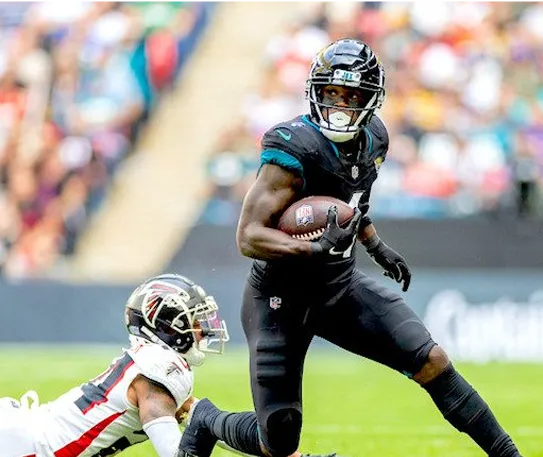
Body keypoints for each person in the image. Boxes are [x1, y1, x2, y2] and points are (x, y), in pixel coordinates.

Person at [178, 38, 523, 457]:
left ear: (370, 101)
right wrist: (313, 250)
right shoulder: (294, 145)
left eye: (352, 96)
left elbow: (349, 203)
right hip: (279, 299)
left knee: (432, 360)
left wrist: (375, 245)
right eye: (333, 94)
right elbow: (248, 235)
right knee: (279, 441)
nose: (341, 105)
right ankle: (207, 419)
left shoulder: (374, 138)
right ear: (315, 93)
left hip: (338, 288)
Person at [0, 273, 229, 457]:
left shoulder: (148, 364)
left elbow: (208, 423)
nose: (203, 331)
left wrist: (260, 441)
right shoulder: (157, 373)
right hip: (26, 448)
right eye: (195, 321)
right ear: (168, 327)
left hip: (22, 433)